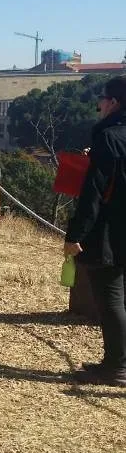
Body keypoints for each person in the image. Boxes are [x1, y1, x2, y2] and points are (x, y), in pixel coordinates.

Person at [65, 75, 126, 386]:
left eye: (102, 98)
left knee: (111, 296)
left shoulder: (108, 137)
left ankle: (116, 365)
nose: (99, 104)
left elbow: (94, 194)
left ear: (113, 103)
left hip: (111, 231)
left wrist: (75, 234)